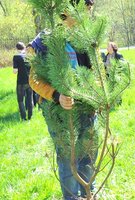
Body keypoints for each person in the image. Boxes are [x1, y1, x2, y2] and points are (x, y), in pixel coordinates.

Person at [29, 0, 98, 199]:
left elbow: (95, 72)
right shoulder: (45, 40)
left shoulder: (85, 38)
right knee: (68, 158)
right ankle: (71, 197)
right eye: (83, 12)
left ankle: (88, 193)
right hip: (58, 111)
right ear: (66, 10)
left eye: (89, 12)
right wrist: (56, 95)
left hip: (87, 108)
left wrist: (98, 96)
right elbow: (33, 79)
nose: (87, 17)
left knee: (88, 154)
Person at [13, 42, 33, 121]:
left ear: (17, 48)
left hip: (21, 81)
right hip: (29, 81)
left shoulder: (16, 57)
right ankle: (30, 117)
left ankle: (24, 118)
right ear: (24, 47)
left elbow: (15, 71)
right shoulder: (28, 56)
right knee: (29, 98)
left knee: (20, 100)